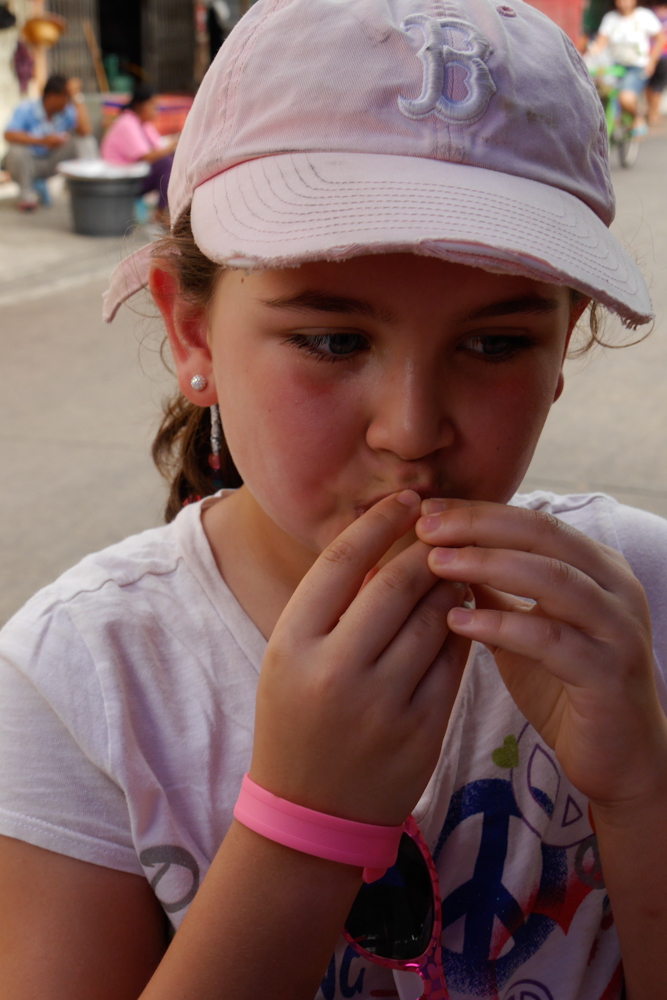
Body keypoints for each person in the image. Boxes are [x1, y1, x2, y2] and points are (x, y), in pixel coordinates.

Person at [1, 1, 666, 999]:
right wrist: (303, 825)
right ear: (192, 333)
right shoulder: (81, 679)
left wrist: (642, 792)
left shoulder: (637, 606)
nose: (411, 428)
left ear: (563, 343)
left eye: (495, 343)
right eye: (331, 340)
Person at [2, 74, 92, 211]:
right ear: (52, 96)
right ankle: (27, 196)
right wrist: (42, 141)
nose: (67, 101)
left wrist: (77, 96)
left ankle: (90, 187)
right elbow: (8, 134)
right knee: (16, 150)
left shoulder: (66, 111)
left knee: (84, 141)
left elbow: (85, 131)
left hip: (52, 161)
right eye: (65, 97)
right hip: (28, 163)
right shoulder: (26, 108)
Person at [101, 85, 177, 224]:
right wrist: (173, 145)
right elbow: (146, 156)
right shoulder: (127, 122)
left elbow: (159, 147)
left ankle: (166, 212)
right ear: (139, 105)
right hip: (120, 181)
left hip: (136, 174)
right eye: (152, 105)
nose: (156, 110)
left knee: (172, 160)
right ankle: (160, 215)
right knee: (167, 164)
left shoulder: (143, 124)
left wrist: (172, 147)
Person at [587, 0, 665, 133]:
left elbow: (660, 38)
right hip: (614, 67)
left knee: (626, 98)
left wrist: (652, 61)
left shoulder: (644, 16)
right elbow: (600, 43)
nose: (623, 3)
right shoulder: (610, 18)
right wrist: (588, 56)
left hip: (636, 67)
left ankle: (638, 117)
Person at [646, 3, 667, 123]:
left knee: (655, 86)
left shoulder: (649, 14)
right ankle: (652, 112)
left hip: (661, 56)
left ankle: (653, 112)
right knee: (652, 86)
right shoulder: (648, 14)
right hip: (651, 55)